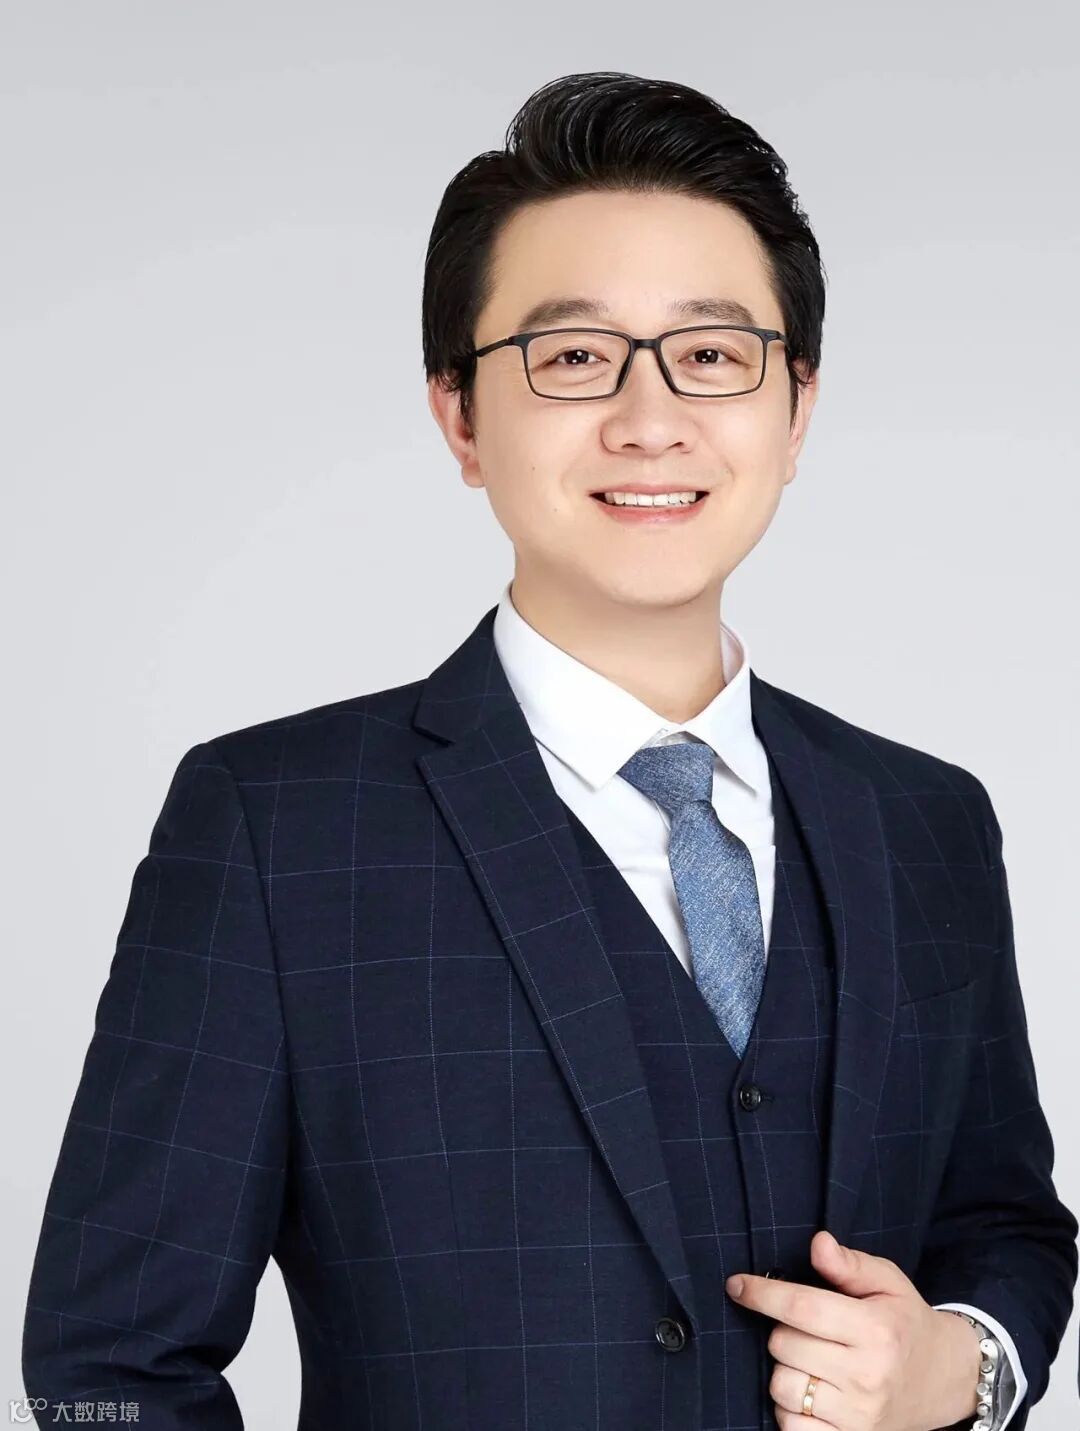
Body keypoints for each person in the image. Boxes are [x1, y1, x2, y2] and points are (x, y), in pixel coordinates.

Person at [21, 70, 1076, 1431]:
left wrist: (962, 1365)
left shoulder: (925, 821)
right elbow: (112, 1363)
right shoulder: (277, 829)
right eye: (574, 358)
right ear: (461, 415)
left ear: (797, 408)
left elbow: (1003, 1225)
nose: (650, 419)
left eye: (713, 355)